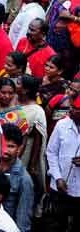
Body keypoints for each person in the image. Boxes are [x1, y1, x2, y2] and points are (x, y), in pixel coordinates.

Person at [45, 94, 80, 228]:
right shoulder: (61, 124)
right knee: (57, 224)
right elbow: (51, 152)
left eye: (77, 109)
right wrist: (58, 178)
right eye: (72, 107)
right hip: (60, 187)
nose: (71, 111)